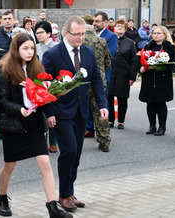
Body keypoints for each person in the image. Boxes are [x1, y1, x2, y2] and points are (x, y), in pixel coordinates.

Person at [0, 33, 72, 218]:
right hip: (14, 125)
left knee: (45, 163)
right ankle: (1, 199)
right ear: (16, 49)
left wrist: (50, 108)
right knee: (9, 165)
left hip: (34, 123)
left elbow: (44, 96)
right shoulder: (6, 70)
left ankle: (52, 207)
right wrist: (19, 109)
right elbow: (1, 101)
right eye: (25, 48)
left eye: (32, 48)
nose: (29, 52)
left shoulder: (37, 68)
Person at [42, 16, 108, 212]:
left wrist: (103, 104)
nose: (81, 38)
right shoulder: (53, 54)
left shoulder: (87, 52)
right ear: (65, 33)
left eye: (83, 34)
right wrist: (49, 112)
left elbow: (95, 79)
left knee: (76, 154)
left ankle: (69, 192)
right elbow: (45, 86)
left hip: (81, 112)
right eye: (77, 34)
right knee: (69, 151)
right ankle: (63, 195)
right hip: (60, 112)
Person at [138, 26, 175, 136]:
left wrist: (160, 67)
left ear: (165, 35)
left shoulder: (169, 47)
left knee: (160, 103)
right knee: (150, 103)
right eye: (154, 33)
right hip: (149, 79)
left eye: (158, 33)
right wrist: (141, 68)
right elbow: (140, 60)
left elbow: (174, 63)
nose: (156, 35)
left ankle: (162, 126)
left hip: (162, 79)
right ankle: (152, 125)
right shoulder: (148, 46)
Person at [81, 15, 111, 152]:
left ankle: (76, 138)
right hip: (98, 80)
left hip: (81, 80)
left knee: (79, 110)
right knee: (101, 110)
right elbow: (107, 62)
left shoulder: (78, 40)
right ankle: (104, 140)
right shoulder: (101, 41)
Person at [108, 19, 137, 130]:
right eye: (117, 26)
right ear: (114, 28)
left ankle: (121, 121)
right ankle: (110, 120)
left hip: (123, 74)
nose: (119, 28)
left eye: (122, 26)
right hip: (110, 73)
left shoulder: (129, 42)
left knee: (122, 98)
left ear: (125, 29)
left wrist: (132, 77)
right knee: (109, 97)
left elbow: (134, 60)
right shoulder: (110, 40)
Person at [35, 21, 59, 153]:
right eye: (37, 33)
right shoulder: (35, 47)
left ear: (49, 33)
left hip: (53, 83)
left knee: (52, 113)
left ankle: (53, 142)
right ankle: (41, 142)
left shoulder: (56, 47)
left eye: (41, 32)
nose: (39, 35)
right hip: (39, 82)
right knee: (41, 113)